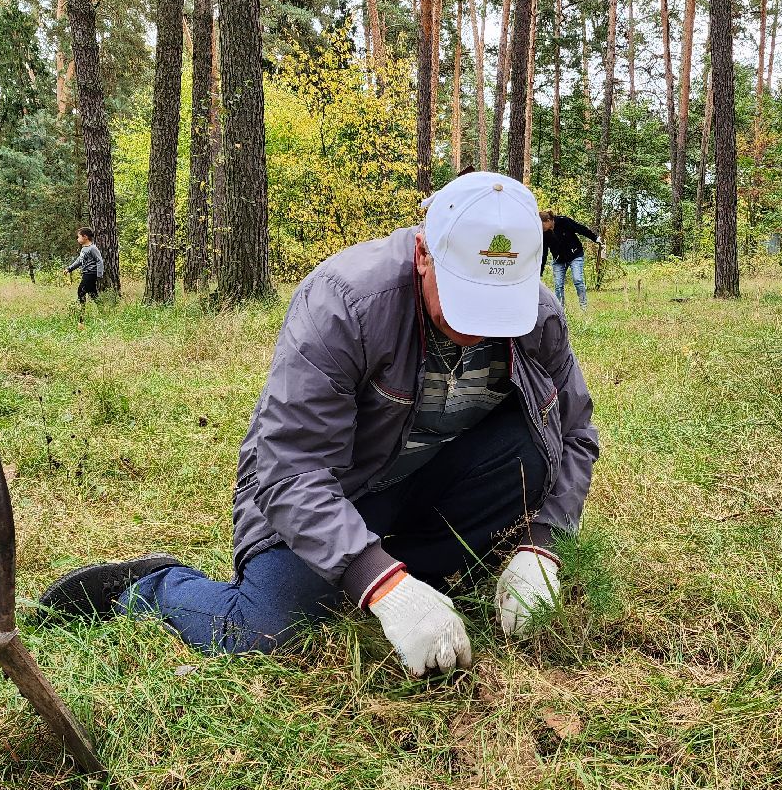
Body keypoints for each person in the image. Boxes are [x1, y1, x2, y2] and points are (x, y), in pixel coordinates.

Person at [39, 172, 599, 677]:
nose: (480, 331)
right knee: (262, 630)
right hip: (338, 493)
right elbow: (287, 465)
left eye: (498, 307)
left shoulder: (539, 314)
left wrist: (541, 543)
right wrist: (380, 583)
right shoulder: (346, 302)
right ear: (425, 253)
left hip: (437, 480)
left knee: (528, 446)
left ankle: (421, 565)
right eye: (466, 303)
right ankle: (148, 587)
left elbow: (573, 433)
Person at [539, 209, 598, 312]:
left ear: (548, 220)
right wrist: (540, 272)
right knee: (558, 285)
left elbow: (580, 228)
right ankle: (560, 310)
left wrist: (595, 238)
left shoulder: (564, 221)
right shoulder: (545, 233)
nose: (540, 227)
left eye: (541, 224)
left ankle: (583, 308)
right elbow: (544, 253)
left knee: (578, 280)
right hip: (559, 260)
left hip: (575, 255)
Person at [64, 227, 104, 312]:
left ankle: (82, 312)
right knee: (93, 293)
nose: (77, 239)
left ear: (85, 237)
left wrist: (99, 275)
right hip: (86, 273)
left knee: (81, 291)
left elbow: (99, 260)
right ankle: (103, 311)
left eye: (78, 237)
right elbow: (79, 261)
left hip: (91, 273)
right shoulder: (83, 249)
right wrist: (69, 268)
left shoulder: (92, 248)